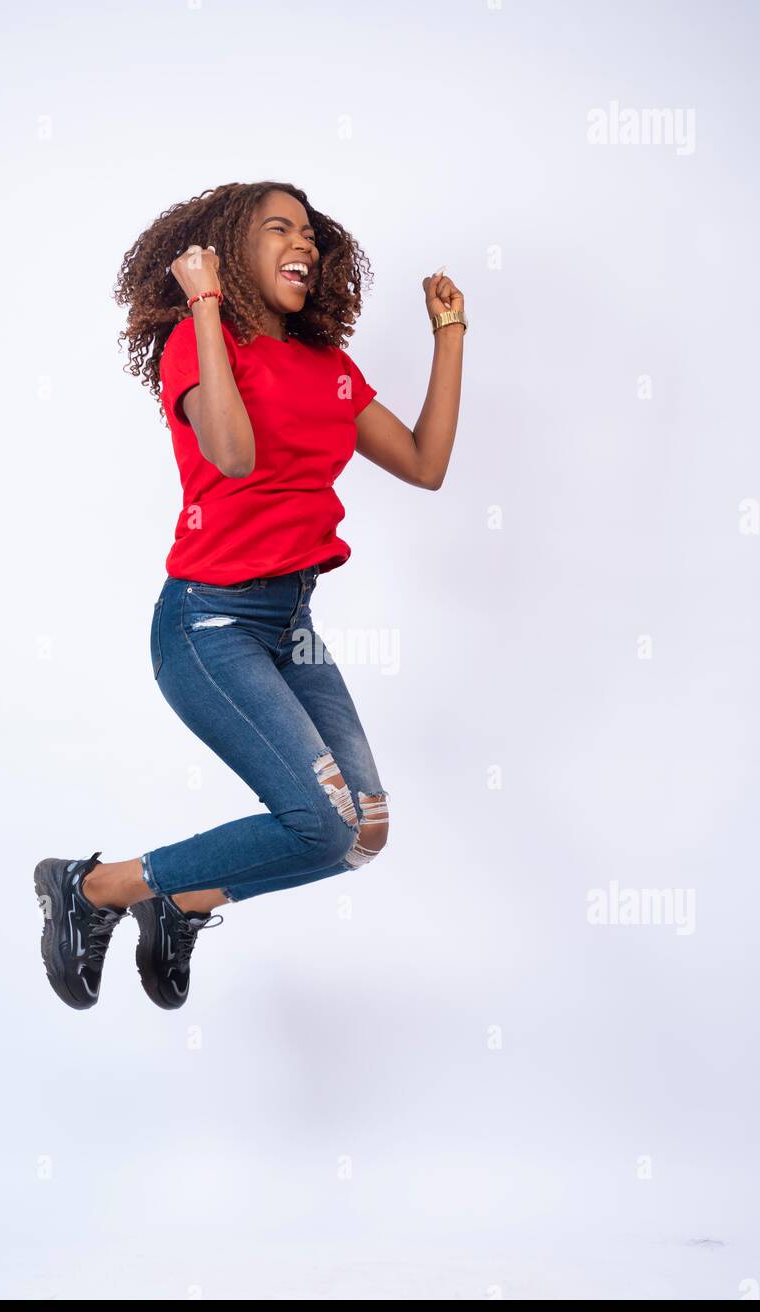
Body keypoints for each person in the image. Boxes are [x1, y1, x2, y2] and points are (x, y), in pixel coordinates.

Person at [35, 180, 466, 1012]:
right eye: (279, 229)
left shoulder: (328, 367)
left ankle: (185, 903)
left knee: (362, 834)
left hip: (292, 623)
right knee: (322, 825)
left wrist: (450, 334)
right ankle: (92, 890)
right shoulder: (198, 346)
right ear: (230, 250)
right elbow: (232, 455)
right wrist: (202, 305)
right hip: (209, 623)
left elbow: (424, 465)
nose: (302, 243)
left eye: (309, 232)